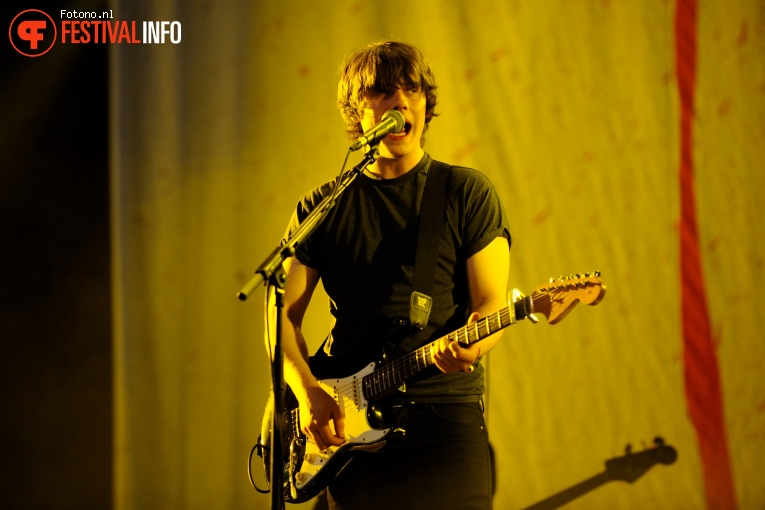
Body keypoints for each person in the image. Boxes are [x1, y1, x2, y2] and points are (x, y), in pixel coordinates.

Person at [277, 40, 510, 510]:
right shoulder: (322, 207)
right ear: (356, 111)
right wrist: (306, 392)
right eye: (383, 92)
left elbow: (492, 302)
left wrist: (473, 344)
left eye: (413, 90)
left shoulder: (465, 191)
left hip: (444, 418)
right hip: (351, 426)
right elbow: (281, 318)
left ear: (425, 104)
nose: (401, 102)